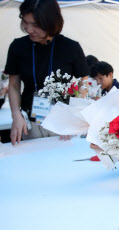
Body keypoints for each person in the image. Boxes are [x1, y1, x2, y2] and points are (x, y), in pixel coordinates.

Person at [5, 0, 90, 145]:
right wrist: (16, 115)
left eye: (36, 25)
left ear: (51, 23)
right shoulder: (18, 47)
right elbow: (13, 85)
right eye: (25, 22)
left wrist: (73, 114)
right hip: (30, 122)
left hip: (62, 124)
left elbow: (84, 81)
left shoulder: (70, 48)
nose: (29, 29)